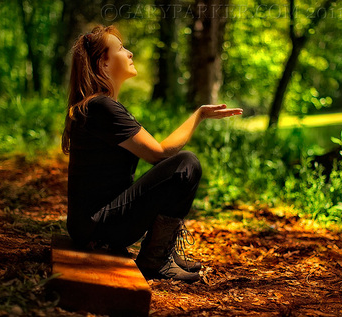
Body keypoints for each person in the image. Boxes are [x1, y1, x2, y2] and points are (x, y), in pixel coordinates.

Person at [61, 25, 243, 282]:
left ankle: (162, 250)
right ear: (103, 63)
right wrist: (199, 115)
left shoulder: (97, 105)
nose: (130, 53)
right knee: (186, 165)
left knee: (177, 168)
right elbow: (160, 153)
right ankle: (155, 260)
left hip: (91, 226)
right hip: (98, 228)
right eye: (121, 48)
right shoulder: (101, 106)